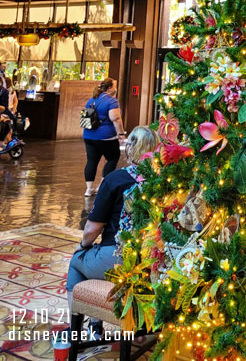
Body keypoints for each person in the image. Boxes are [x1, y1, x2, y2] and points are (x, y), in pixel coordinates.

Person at [66, 126, 159, 333]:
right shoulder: (163, 182)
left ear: (131, 148)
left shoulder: (116, 179)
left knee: (76, 262)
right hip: (151, 259)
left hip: (119, 256)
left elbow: (93, 228)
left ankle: (82, 327)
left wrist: (82, 246)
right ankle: (96, 323)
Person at [82, 78, 126, 196]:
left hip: (88, 135)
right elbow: (115, 118)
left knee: (92, 160)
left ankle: (89, 189)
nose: (116, 88)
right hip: (106, 137)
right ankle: (101, 185)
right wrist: (121, 134)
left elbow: (86, 119)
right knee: (113, 158)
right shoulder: (112, 101)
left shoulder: (91, 99)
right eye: (115, 86)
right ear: (110, 88)